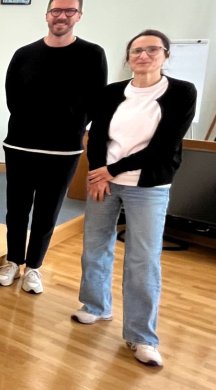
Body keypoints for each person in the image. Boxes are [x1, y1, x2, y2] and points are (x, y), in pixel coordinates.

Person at [74, 30, 195, 368]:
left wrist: (111, 170)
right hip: (105, 180)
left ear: (166, 55)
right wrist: (98, 171)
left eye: (152, 49)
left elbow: (164, 144)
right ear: (128, 58)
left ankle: (142, 336)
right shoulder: (112, 92)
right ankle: (95, 306)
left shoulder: (182, 92)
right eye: (137, 51)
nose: (143, 56)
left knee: (143, 259)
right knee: (95, 244)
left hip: (149, 187)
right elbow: (96, 135)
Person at [0, 0, 108, 294]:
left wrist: (69, 127)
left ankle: (34, 267)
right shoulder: (24, 54)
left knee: (47, 211)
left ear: (78, 16)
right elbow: (11, 97)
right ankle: (13, 260)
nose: (62, 16)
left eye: (69, 11)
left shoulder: (92, 55)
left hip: (63, 150)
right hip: (20, 145)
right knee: (16, 209)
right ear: (47, 15)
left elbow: (95, 102)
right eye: (56, 10)